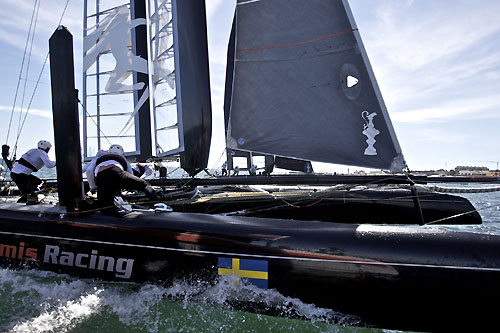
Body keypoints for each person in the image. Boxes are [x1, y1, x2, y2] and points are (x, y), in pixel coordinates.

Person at [86, 144, 158, 215]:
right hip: (116, 173)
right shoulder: (121, 157)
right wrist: (132, 187)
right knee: (145, 185)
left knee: (106, 208)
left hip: (101, 179)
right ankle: (158, 205)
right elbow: (130, 173)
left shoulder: (99, 157)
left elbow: (88, 171)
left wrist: (92, 187)